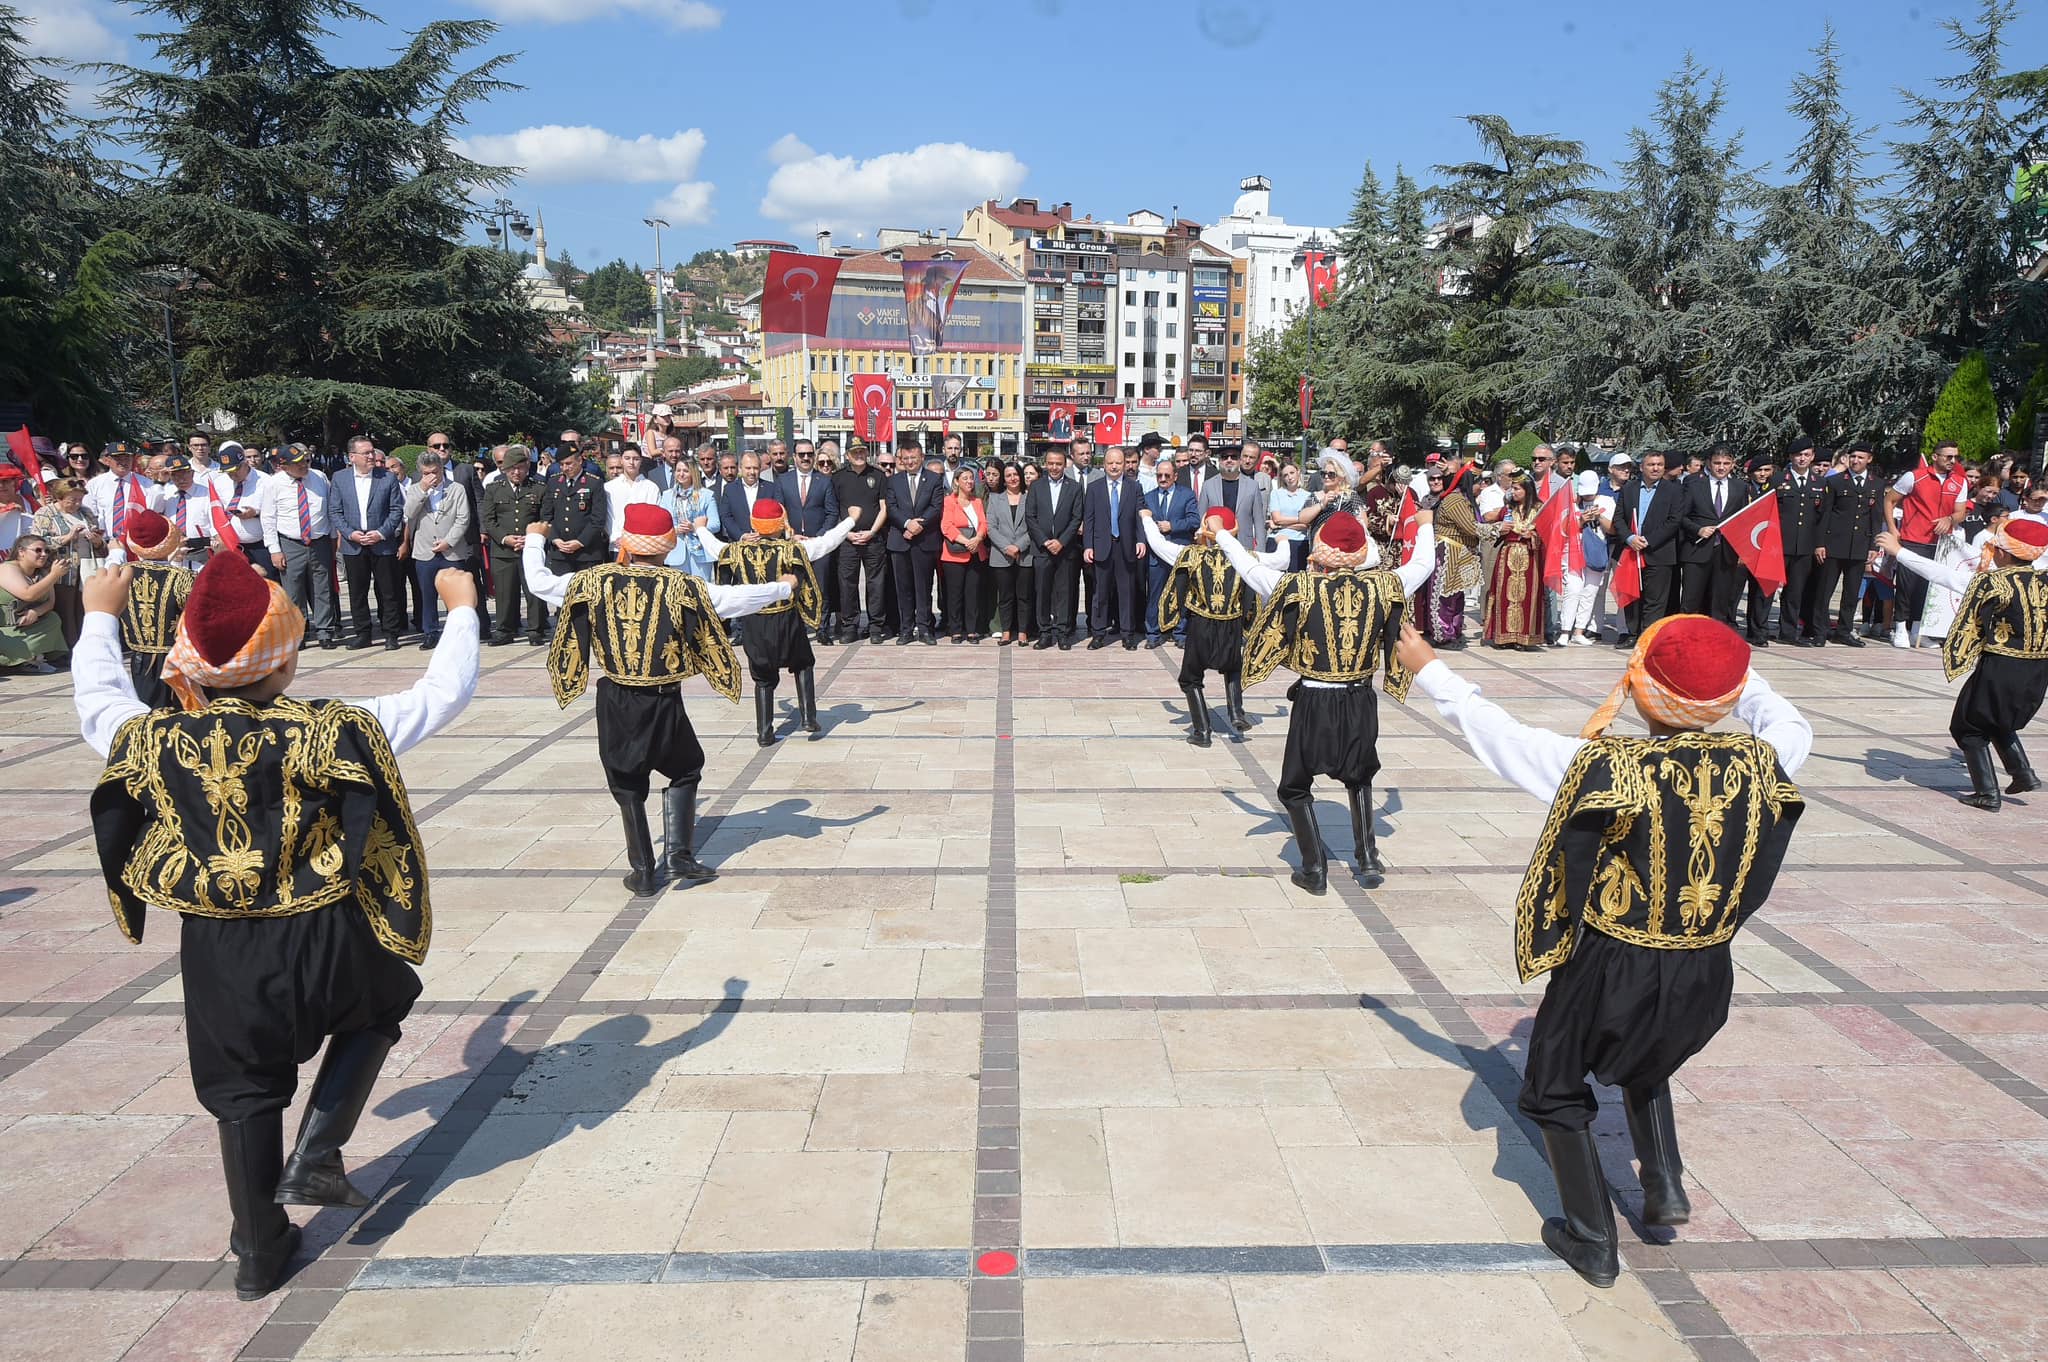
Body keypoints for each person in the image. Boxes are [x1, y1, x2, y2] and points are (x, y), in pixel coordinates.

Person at [74, 549, 481, 1300]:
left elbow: (99, 703)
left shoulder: (153, 738)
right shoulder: (332, 729)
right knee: (383, 1001)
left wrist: (100, 616)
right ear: (286, 664)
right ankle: (318, 1152)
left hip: (219, 943)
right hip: (323, 926)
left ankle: (259, 1251)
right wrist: (459, 607)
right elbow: (439, 694)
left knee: (243, 1089)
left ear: (189, 669)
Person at [1395, 612, 1809, 1289]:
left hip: (1614, 961)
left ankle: (1592, 1240)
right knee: (1649, 1054)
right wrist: (1727, 666)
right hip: (1707, 966)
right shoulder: (1768, 758)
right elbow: (1786, 718)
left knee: (1554, 1088)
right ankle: (1664, 1184)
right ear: (1728, 698)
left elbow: (1505, 739)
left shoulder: (1609, 766)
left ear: (1644, 690)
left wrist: (1431, 671)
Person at [527, 504, 793, 894]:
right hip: (663, 697)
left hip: (617, 698)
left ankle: (644, 870)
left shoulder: (593, 580)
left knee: (627, 781)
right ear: (668, 547)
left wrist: (535, 538)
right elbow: (732, 599)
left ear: (628, 544)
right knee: (685, 769)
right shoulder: (681, 586)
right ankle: (679, 856)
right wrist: (784, 587)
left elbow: (538, 581)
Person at [1219, 509, 1437, 892]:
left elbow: (1249, 569)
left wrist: (1221, 533)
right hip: (1360, 698)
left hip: (1315, 701)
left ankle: (1314, 868)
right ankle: (1368, 860)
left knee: (1294, 787)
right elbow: (1423, 563)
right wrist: (1425, 525)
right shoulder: (1386, 586)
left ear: (1321, 552)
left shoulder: (1299, 587)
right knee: (1361, 776)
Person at [1880, 518, 2048, 810]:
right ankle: (2023, 774)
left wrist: (1900, 552)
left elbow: (1943, 575)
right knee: (1997, 720)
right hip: (2038, 669)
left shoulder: (1993, 582)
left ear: (2005, 553)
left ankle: (1987, 794)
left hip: (2001, 666)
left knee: (1967, 726)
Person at [696, 496, 857, 744]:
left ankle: (764, 732)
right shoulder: (791, 549)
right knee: (802, 663)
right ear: (781, 523)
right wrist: (851, 520)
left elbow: (713, 547)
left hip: (753, 622)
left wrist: (700, 528)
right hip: (786, 619)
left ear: (754, 523)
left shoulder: (735, 551)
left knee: (763, 677)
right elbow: (826, 543)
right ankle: (808, 717)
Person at [1141, 506, 1257, 744]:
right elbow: (1252, 592)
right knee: (1233, 668)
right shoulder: (1246, 556)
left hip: (1201, 623)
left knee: (1190, 678)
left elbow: (1162, 551)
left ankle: (1202, 732)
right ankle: (1236, 713)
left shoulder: (1191, 555)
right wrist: (1247, 622)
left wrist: (1146, 519)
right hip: (1231, 623)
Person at [1884, 441, 1970, 649]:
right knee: (1906, 585)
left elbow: (1961, 511)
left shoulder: (1959, 482)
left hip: (1940, 543)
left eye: (1955, 457)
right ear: (1935, 457)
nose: (1952, 461)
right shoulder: (1914, 476)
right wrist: (1892, 529)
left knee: (1929, 586)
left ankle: (1917, 630)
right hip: (1914, 538)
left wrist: (1950, 520)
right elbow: (1889, 499)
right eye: (1947, 456)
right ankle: (1900, 627)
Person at [102, 509, 192, 707]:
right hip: (176, 660)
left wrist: (116, 555)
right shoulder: (182, 577)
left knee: (148, 710)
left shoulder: (122, 575)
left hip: (139, 659)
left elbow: (105, 583)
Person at [330, 438, 407, 651]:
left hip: (382, 543)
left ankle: (391, 633)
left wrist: (381, 533)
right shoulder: (340, 478)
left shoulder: (387, 478)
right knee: (357, 591)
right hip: (353, 544)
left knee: (388, 591)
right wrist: (350, 533)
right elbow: (335, 511)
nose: (371, 456)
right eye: (366, 453)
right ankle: (363, 633)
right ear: (352, 457)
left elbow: (396, 510)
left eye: (372, 452)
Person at [260, 446, 340, 649]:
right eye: (297, 464)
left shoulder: (319, 477)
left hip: (319, 540)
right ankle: (299, 631)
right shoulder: (273, 484)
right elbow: (268, 518)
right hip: (290, 542)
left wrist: (332, 539)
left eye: (305, 461)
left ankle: (325, 631)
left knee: (322, 588)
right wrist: (274, 549)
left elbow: (329, 510)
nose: (303, 466)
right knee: (293, 590)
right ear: (283, 466)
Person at [1812, 443, 1884, 648]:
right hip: (1834, 544)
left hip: (1859, 545)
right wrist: (1820, 543)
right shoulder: (1835, 482)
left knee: (1852, 593)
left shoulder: (1876, 484)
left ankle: (1844, 631)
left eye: (1861, 457)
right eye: (1853, 457)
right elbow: (1825, 514)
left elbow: (1875, 517)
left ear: (1869, 459)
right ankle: (1819, 631)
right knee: (1824, 591)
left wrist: (1873, 545)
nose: (1856, 461)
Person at [1677, 446, 1754, 631]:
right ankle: (1687, 636)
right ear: (1709, 464)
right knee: (1691, 599)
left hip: (1726, 552)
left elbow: (1743, 520)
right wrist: (1697, 530)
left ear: (1733, 464)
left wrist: (1744, 551)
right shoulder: (1693, 483)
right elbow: (1680, 516)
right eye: (1717, 463)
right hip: (1697, 550)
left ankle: (1716, 638)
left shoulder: (1740, 487)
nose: (1721, 467)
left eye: (1726, 463)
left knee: (1720, 601)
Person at [480, 446, 549, 646]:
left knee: (534, 592)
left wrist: (532, 538)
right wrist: (505, 538)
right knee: (504, 593)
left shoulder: (538, 487)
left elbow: (545, 518)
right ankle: (504, 631)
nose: (516, 472)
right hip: (503, 550)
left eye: (520, 468)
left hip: (531, 549)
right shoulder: (494, 488)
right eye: (511, 468)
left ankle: (535, 630)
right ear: (505, 469)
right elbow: (489, 520)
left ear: (527, 467)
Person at [403, 451, 471, 651]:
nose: (431, 476)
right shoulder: (415, 489)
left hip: (451, 550)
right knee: (427, 595)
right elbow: (408, 513)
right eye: (426, 473)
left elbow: (463, 518)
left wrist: (449, 541)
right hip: (425, 551)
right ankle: (430, 632)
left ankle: (457, 633)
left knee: (456, 595)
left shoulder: (456, 489)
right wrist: (423, 489)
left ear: (441, 470)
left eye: (434, 472)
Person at [1081, 445, 1145, 649]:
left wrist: (1140, 540)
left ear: (1125, 464)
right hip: (1102, 547)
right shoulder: (1094, 488)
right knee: (1100, 593)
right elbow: (1088, 519)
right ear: (1104, 464)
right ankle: (1098, 632)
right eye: (1111, 463)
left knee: (1126, 593)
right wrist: (1088, 546)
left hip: (1126, 547)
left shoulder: (1134, 487)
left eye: (1119, 462)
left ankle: (1127, 633)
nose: (1115, 466)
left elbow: (1139, 517)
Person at [779, 440, 841, 645]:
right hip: (793, 543)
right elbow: (780, 512)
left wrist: (821, 536)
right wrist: (790, 534)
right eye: (801, 454)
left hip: (819, 543)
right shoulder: (783, 480)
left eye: (809, 454)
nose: (806, 458)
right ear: (794, 457)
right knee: (794, 586)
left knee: (821, 586)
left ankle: (822, 627)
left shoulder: (824, 481)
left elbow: (832, 512)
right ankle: (796, 628)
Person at [885, 435, 944, 646]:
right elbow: (891, 508)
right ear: (901, 459)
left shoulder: (934, 479)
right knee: (904, 588)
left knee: (924, 587)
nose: (910, 462)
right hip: (900, 540)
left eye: (914, 458)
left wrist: (919, 525)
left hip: (925, 540)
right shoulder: (893, 481)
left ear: (922, 457)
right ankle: (906, 629)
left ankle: (925, 629)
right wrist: (907, 523)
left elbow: (936, 507)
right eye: (906, 458)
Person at [1417, 464, 1481, 646]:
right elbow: (1471, 528)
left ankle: (1453, 630)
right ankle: (1442, 633)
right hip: (1447, 552)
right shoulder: (1454, 501)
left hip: (1459, 552)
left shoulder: (1461, 499)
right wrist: (1497, 529)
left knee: (1456, 595)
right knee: (1444, 595)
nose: (1480, 486)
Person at [831, 441, 889, 642]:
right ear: (847, 455)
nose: (859, 454)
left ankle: (875, 626)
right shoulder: (837, 478)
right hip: (848, 540)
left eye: (862, 451)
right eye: (855, 452)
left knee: (876, 584)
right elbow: (834, 509)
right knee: (847, 584)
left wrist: (872, 532)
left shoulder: (878, 475)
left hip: (873, 539)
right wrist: (845, 533)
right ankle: (850, 626)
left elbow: (884, 508)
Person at [1026, 446, 1082, 649]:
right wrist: (1044, 541)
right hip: (1042, 549)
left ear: (1064, 464)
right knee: (1042, 592)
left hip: (1065, 549)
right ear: (1045, 463)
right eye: (1051, 463)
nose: (1055, 467)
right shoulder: (1036, 486)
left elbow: (1077, 518)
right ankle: (1045, 632)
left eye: (1058, 463)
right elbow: (1030, 517)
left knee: (1064, 592)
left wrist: (1062, 541)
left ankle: (1063, 632)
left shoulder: (1074, 487)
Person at [31, 476, 97, 648]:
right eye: (72, 500)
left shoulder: (86, 512)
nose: (76, 503)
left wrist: (97, 540)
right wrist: (67, 537)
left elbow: (100, 542)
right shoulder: (45, 514)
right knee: (65, 612)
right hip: (61, 572)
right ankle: (67, 651)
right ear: (59, 497)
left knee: (85, 611)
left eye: (79, 499)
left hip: (87, 569)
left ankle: (87, 647)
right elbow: (38, 542)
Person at [1482, 475, 1545, 649]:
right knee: (1504, 596)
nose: (1514, 492)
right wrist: (1502, 531)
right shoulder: (1507, 509)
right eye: (1513, 488)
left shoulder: (1539, 510)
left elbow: (1546, 536)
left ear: (1527, 490)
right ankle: (1503, 636)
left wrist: (1532, 536)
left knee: (1527, 596)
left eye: (1517, 489)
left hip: (1530, 558)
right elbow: (1496, 531)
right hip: (1508, 556)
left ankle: (1523, 637)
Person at [1143, 450, 1199, 647]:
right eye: (1159, 475)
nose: (1163, 479)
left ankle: (1180, 633)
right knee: (1155, 594)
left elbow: (1194, 521)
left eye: (1167, 475)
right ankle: (1153, 633)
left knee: (1181, 593)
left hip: (1179, 552)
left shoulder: (1187, 495)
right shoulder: (1148, 497)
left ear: (1175, 476)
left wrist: (1172, 526)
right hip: (1156, 557)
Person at [1556, 472, 1614, 646]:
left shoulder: (1606, 501)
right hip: (1573, 551)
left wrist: (1599, 517)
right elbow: (1563, 528)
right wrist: (1580, 521)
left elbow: (1613, 529)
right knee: (1573, 589)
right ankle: (1565, 630)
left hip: (1596, 551)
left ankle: (1579, 630)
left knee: (1590, 592)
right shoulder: (1572, 502)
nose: (1587, 494)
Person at [0, 533, 69, 672]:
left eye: (46, 551)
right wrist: (54, 575)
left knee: (53, 619)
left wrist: (36, 612)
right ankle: (18, 659)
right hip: (5, 628)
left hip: (29, 625)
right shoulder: (7, 568)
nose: (43, 554)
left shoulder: (42, 573)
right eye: (38, 550)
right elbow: (28, 594)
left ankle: (30, 659)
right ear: (21, 552)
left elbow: (50, 602)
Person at [985, 462, 1036, 645]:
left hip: (1025, 555)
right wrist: (1007, 547)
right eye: (1008, 475)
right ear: (1003, 479)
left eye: (1015, 474)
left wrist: (1019, 546)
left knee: (1024, 596)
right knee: (1005, 596)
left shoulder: (1030, 498)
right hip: (1001, 555)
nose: (1012, 478)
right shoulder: (995, 499)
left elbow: (1034, 527)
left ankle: (1023, 632)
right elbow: (991, 528)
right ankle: (1006, 631)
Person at [938, 468, 990, 644]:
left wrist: (978, 538)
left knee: (973, 593)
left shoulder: (977, 502)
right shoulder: (949, 501)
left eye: (971, 478)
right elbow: (947, 526)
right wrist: (966, 541)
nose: (969, 481)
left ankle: (972, 630)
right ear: (956, 482)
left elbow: (984, 523)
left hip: (976, 552)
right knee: (954, 594)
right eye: (965, 478)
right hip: (955, 554)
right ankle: (955, 629)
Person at [1194, 442, 1267, 554]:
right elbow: (1201, 519)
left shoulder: (1252, 486)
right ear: (1219, 461)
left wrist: (1260, 552)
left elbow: (1259, 521)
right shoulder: (1208, 485)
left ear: (1240, 460)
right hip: (1214, 546)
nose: (1229, 460)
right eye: (1225, 457)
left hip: (1243, 546)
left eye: (1233, 457)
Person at [660, 458, 722, 584]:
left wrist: (695, 527)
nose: (681, 474)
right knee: (678, 589)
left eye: (685, 471)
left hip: (701, 552)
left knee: (700, 588)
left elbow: (715, 524)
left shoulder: (706, 495)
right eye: (678, 470)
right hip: (677, 550)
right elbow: (662, 524)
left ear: (693, 473)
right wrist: (676, 530)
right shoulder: (667, 496)